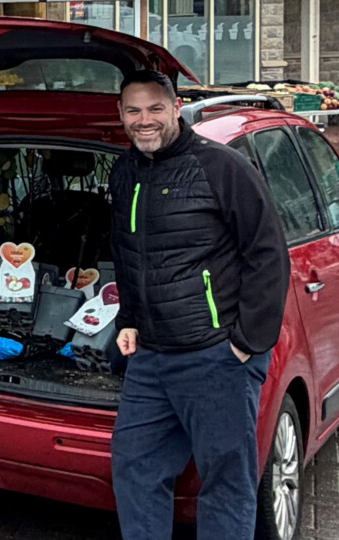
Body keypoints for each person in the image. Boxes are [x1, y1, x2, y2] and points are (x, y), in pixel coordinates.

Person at [108, 70, 290, 540]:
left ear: (175, 107)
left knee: (226, 481)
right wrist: (128, 319)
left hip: (215, 357)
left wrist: (247, 343)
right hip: (150, 356)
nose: (143, 120)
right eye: (133, 110)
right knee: (135, 469)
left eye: (154, 109)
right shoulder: (123, 171)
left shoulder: (221, 167)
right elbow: (128, 251)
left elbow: (267, 252)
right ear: (121, 115)